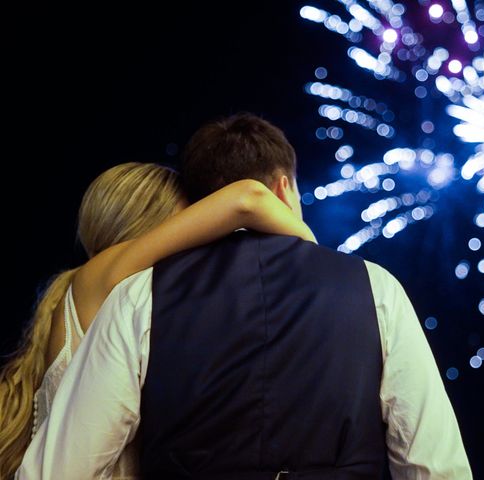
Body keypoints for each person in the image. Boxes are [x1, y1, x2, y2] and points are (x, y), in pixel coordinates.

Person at [18, 114, 472, 479]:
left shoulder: (136, 295)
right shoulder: (376, 287)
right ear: (284, 188)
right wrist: (311, 245)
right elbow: (434, 462)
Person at [1, 161, 315, 479]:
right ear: (157, 224)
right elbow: (248, 197)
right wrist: (310, 247)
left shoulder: (96, 287)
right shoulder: (108, 271)